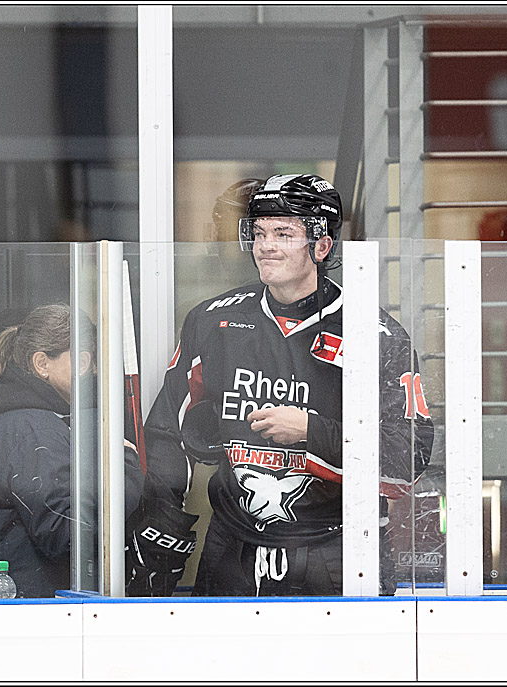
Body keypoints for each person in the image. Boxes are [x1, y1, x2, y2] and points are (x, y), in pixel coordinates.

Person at [125, 173, 435, 597]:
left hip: (338, 547)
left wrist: (311, 431)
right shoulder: (214, 322)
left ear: (322, 245)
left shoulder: (376, 335)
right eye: (259, 232)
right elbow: (166, 432)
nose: (265, 245)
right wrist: (161, 523)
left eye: (283, 233)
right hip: (231, 544)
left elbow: (407, 461)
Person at [0, 303, 138, 598]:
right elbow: (67, 531)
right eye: (85, 360)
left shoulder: (23, 423)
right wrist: (121, 467)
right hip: (21, 621)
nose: (95, 373)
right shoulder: (32, 429)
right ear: (41, 364)